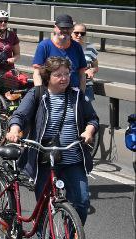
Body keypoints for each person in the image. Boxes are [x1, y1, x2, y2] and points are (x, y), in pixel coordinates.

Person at [6, 56, 99, 223]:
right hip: (44, 160)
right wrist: (14, 130)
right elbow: (20, 116)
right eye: (58, 75)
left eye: (67, 74)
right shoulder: (37, 94)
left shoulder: (77, 95)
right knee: (44, 206)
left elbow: (92, 118)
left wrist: (89, 131)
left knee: (81, 202)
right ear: (48, 76)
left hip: (73, 159)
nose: (64, 78)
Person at [32, 14, 87, 91]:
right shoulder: (44, 46)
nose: (65, 30)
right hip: (50, 93)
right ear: (55, 28)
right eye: (62, 28)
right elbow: (37, 73)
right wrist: (40, 94)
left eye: (68, 28)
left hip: (73, 93)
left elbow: (82, 74)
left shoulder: (77, 47)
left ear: (72, 29)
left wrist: (81, 95)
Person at [72, 24, 99, 101]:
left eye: (82, 33)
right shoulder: (66, 47)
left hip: (87, 85)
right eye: (76, 33)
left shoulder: (90, 48)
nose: (79, 35)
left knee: (86, 111)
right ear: (71, 32)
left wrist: (92, 70)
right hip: (71, 85)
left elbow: (96, 67)